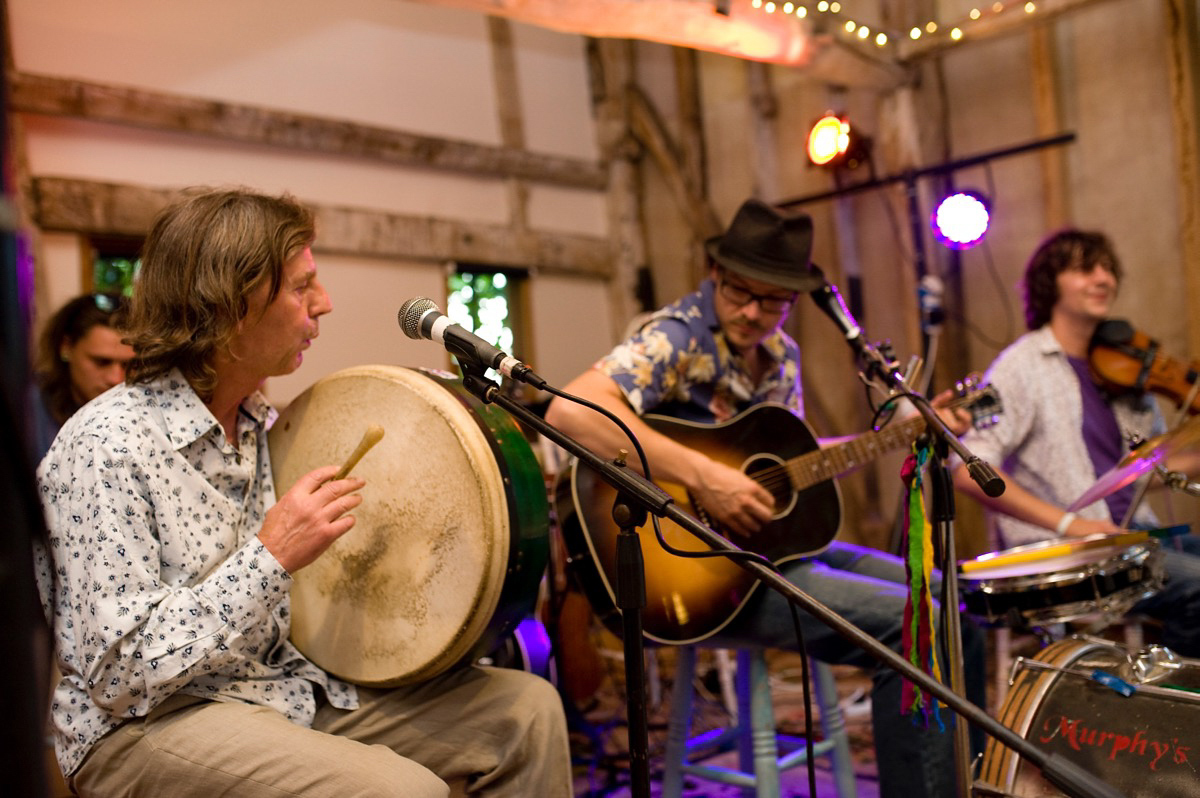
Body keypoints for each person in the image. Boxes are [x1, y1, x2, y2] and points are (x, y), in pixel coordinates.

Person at [35, 187, 571, 798]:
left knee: (524, 712)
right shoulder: (106, 445)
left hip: (274, 687)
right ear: (229, 305)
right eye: (300, 286)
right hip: (144, 725)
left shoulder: (262, 426)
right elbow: (119, 672)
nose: (325, 304)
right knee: (398, 791)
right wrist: (269, 556)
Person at [544, 198, 986, 798]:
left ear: (795, 300)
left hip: (771, 553)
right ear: (715, 277)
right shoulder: (676, 336)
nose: (752, 313)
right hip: (696, 573)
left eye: (771, 301)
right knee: (914, 626)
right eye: (738, 293)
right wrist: (703, 476)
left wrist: (893, 439)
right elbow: (571, 411)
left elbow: (787, 457)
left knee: (963, 604)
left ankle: (967, 783)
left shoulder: (782, 354)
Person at [952, 228, 1200, 655]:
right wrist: (1071, 524)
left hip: (1130, 534)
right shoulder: (1021, 365)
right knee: (1198, 588)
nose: (1103, 279)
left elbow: (1140, 473)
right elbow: (969, 470)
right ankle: (1176, 709)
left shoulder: (1122, 365)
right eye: (1086, 269)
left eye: (1107, 269)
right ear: (1051, 284)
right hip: (1061, 551)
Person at [30, 291, 134, 460]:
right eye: (102, 362)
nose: (116, 379)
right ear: (66, 347)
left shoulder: (140, 412)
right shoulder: (30, 410)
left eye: (129, 365)